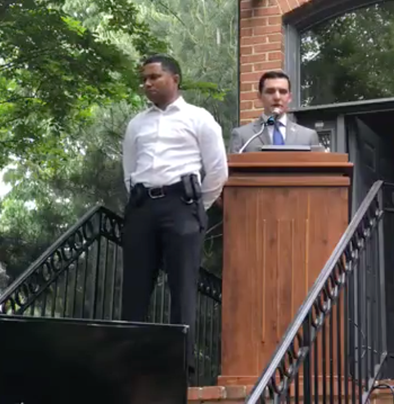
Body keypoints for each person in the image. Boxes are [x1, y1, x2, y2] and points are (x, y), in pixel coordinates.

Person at [120, 54, 228, 381]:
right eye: (144, 79)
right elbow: (129, 171)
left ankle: (180, 367)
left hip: (182, 205)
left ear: (175, 79)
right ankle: (127, 363)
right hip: (142, 208)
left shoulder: (199, 118)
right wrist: (140, 201)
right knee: (135, 287)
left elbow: (218, 170)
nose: (147, 84)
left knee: (181, 287)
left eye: (154, 77)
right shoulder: (136, 123)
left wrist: (196, 207)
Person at [229, 71, 321, 153]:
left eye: (282, 92)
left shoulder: (308, 136)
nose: (277, 97)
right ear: (259, 96)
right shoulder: (242, 136)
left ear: (289, 98)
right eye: (270, 91)